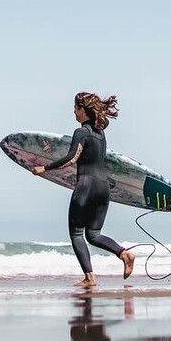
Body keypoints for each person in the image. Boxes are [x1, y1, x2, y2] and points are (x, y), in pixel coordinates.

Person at [31, 92, 135, 287]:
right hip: (103, 188)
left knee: (77, 234)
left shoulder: (81, 133)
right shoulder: (101, 135)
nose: (74, 112)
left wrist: (44, 168)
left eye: (76, 108)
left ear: (83, 111)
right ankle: (124, 253)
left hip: (86, 187)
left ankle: (90, 277)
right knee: (94, 234)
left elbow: (72, 157)